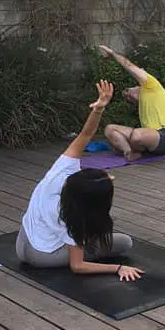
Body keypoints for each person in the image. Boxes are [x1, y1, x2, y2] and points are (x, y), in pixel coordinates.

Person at [17, 81, 143, 281]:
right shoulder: (73, 216)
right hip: (42, 257)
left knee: (90, 238)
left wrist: (99, 108)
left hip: (22, 242)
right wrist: (118, 268)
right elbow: (78, 266)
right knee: (124, 242)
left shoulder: (59, 173)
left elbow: (85, 134)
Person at [98, 45, 165, 161]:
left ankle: (134, 147)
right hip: (149, 137)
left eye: (129, 90)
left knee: (137, 135)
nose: (128, 93)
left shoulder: (151, 85)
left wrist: (112, 53)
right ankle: (129, 152)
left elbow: (128, 65)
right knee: (110, 129)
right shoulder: (143, 102)